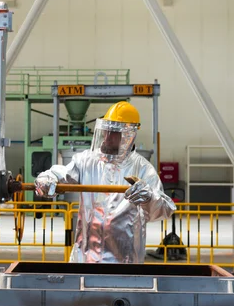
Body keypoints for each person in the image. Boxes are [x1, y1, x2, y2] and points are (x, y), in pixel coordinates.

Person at [34, 101, 176, 264]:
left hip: (125, 263)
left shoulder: (142, 169)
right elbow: (63, 174)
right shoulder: (87, 161)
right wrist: (47, 178)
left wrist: (149, 197)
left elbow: (165, 209)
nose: (107, 137)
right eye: (106, 131)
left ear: (128, 135)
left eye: (114, 133)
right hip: (85, 260)